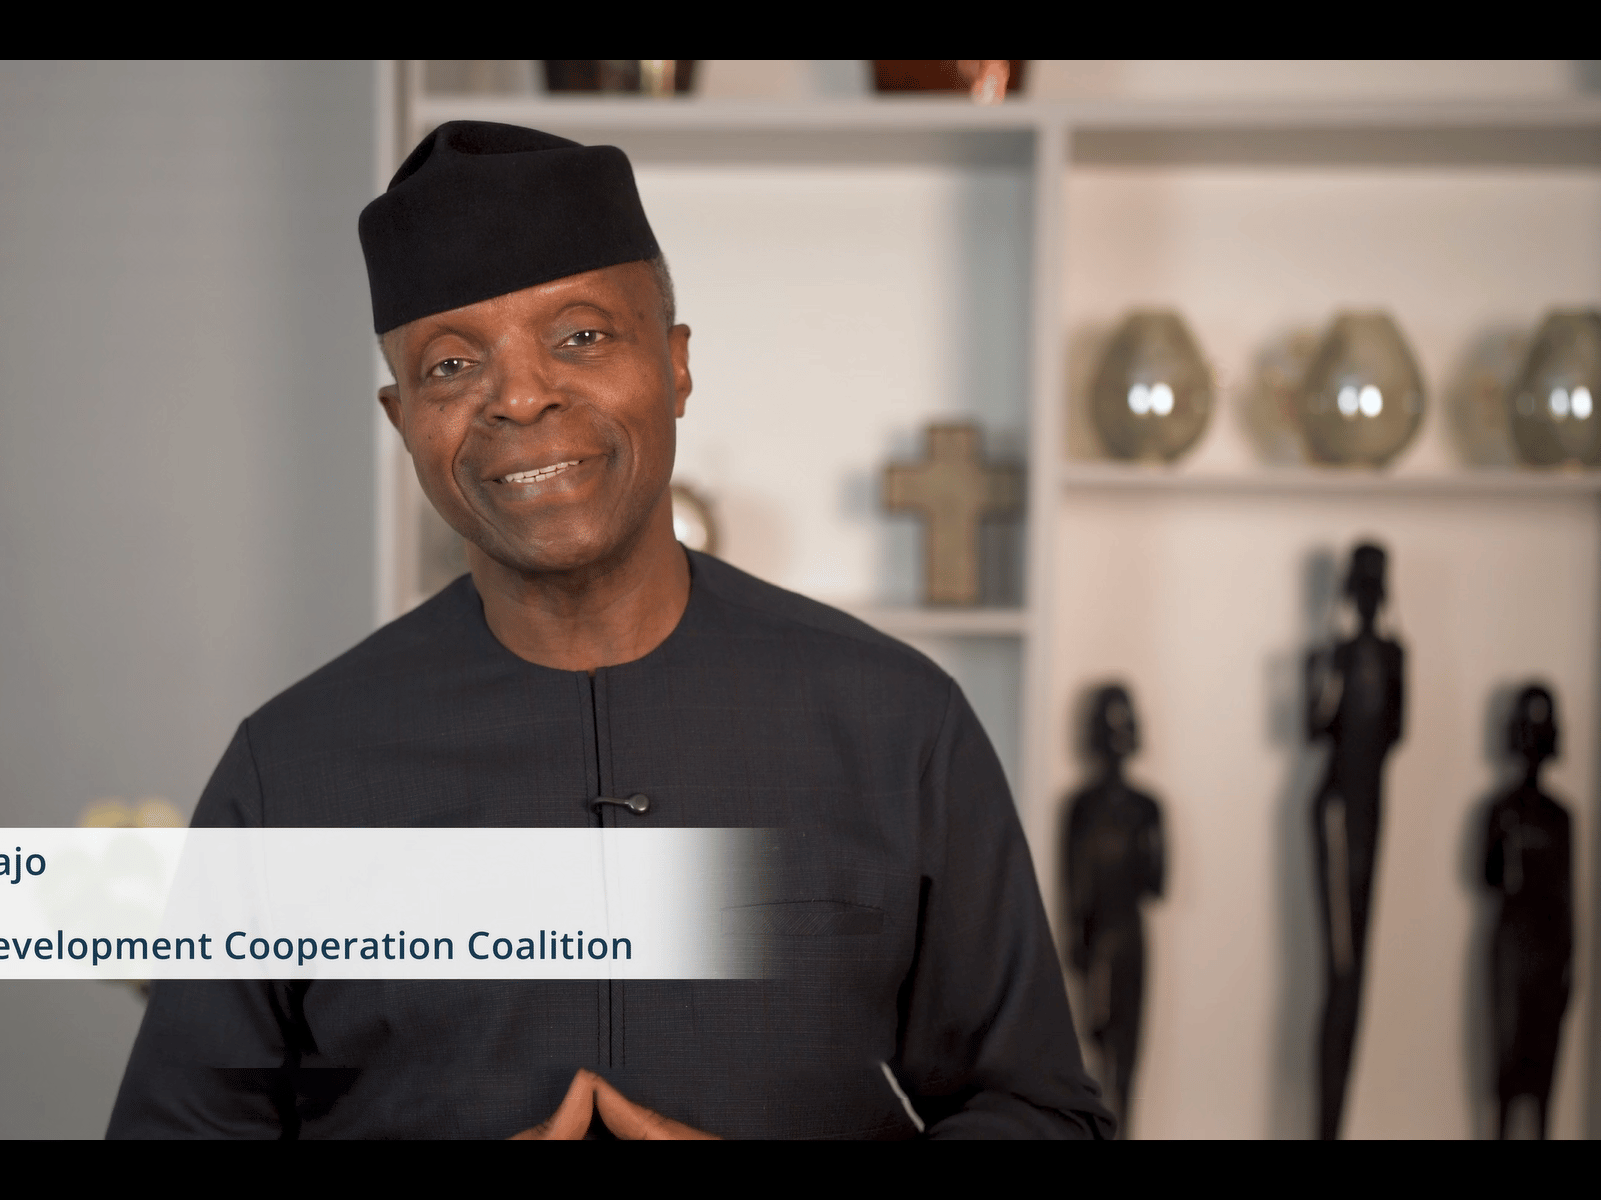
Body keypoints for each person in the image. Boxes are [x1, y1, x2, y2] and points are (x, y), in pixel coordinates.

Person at [107, 120, 1108, 1139]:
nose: (520, 397)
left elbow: (1042, 1114)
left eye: (581, 337)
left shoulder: (898, 725)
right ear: (403, 419)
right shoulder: (289, 771)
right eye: (450, 365)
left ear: (675, 365)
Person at [1305, 542, 1404, 1140]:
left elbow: (1395, 732)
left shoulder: (1394, 656)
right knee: (1341, 972)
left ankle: (1335, 1121)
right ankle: (1326, 1122)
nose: (1367, 599)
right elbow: (1315, 725)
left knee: (1358, 975)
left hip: (1371, 810)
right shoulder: (1333, 655)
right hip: (1337, 811)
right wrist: (1326, 669)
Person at [1064, 684, 1164, 1136]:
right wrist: (1076, 942)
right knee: (1097, 1051)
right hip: (1096, 939)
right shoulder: (1080, 808)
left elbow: (1157, 883)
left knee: (1129, 1055)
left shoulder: (1147, 808)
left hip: (1129, 937)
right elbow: (1072, 887)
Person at [1482, 684, 1573, 1140]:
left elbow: (1567, 893)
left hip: (1549, 946)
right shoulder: (1503, 811)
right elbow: (1488, 876)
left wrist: (1569, 962)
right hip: (1513, 943)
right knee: (1506, 1061)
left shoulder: (1561, 817)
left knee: (1544, 1072)